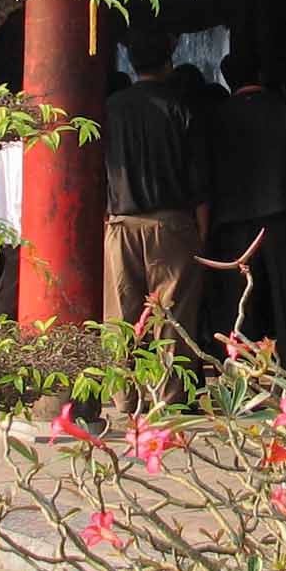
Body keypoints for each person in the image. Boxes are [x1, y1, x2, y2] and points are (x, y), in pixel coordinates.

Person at [205, 46, 286, 370]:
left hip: (231, 222)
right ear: (261, 75)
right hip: (282, 216)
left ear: (228, 80)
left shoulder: (216, 114)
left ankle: (241, 378)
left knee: (240, 304)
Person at [103, 26, 211, 365]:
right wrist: (202, 230)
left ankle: (124, 397)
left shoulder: (110, 108)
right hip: (172, 224)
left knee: (121, 317)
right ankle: (169, 401)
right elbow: (199, 176)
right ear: (169, 62)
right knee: (173, 318)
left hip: (120, 223)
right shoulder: (180, 106)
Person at [0, 137, 24, 321]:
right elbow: (18, 192)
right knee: (11, 281)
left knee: (6, 279)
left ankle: (1, 324)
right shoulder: (18, 147)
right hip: (17, 227)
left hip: (4, 225)